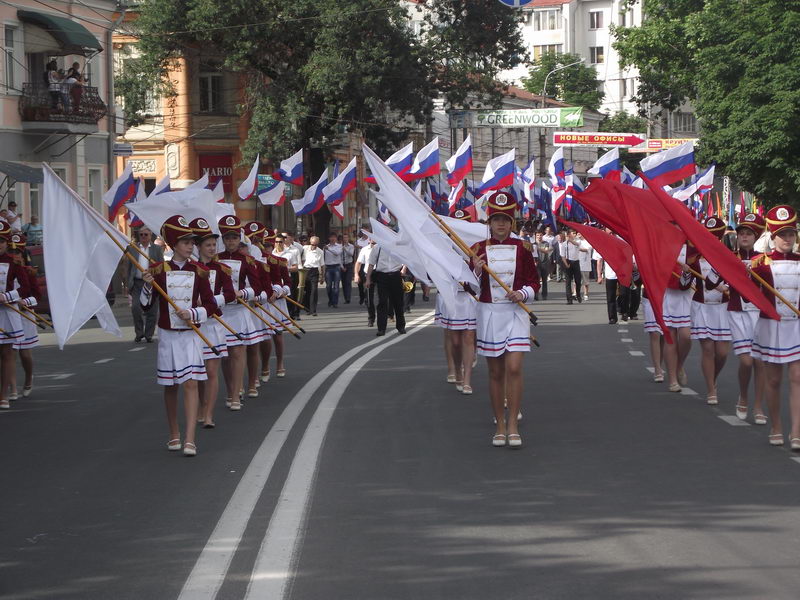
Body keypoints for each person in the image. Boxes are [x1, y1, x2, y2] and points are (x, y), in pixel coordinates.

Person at [140, 215, 217, 456]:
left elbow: (213, 306)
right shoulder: (158, 270)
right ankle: (174, 432)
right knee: (171, 386)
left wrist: (194, 312)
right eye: (185, 242)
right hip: (168, 335)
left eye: (192, 242)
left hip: (191, 334)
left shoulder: (200, 271)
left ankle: (190, 439)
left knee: (191, 383)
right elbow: (145, 306)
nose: (191, 246)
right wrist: (147, 285)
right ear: (174, 244)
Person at [470, 191, 539, 448]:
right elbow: (469, 289)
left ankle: (513, 424)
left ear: (512, 222)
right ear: (489, 222)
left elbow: (534, 281)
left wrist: (522, 293)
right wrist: (475, 271)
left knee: (514, 368)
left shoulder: (523, 248)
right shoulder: (478, 250)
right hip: (490, 315)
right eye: (496, 219)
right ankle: (499, 424)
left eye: (505, 219)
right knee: (496, 373)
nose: (501, 224)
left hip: (515, 314)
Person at [751, 205, 800, 449]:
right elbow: (748, 295)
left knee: (798, 376)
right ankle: (776, 426)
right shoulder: (760, 264)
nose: (787, 239)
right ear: (773, 237)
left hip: (797, 327)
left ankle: (797, 431)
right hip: (771, 326)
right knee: (773, 380)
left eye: (791, 234)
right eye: (782, 235)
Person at [217, 215, 269, 411]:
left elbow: (256, 286)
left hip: (239, 311)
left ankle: (237, 393)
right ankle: (231, 389)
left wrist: (242, 293)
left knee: (238, 352)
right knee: (225, 355)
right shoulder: (216, 259)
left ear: (240, 239)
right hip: (221, 311)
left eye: (234, 237)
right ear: (223, 239)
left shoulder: (247, 260)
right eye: (227, 238)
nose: (231, 241)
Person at [190, 218, 236, 429]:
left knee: (211, 371)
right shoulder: (190, 269)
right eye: (207, 245)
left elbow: (229, 294)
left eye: (213, 245)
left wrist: (210, 300)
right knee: (198, 372)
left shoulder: (222, 268)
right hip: (195, 325)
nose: (211, 248)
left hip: (215, 323)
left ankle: (208, 414)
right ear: (198, 247)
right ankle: (200, 407)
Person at [728, 213, 767, 425]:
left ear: (756, 236)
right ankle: (743, 395)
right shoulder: (728, 257)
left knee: (760, 361)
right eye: (741, 233)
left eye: (748, 233)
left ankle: (758, 405)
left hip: (758, 313)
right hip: (737, 311)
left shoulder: (763, 258)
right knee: (746, 360)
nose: (744, 236)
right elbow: (711, 282)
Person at [434, 208, 477, 394]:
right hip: (450, 295)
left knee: (467, 337)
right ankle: (453, 368)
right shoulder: (445, 245)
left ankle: (466, 378)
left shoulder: (476, 246)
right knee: (453, 338)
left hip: (469, 297)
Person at [689, 218, 732, 405]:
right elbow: (685, 284)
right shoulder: (694, 258)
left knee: (722, 353)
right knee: (707, 349)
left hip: (722, 308)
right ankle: (710, 388)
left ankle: (712, 376)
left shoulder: (728, 257)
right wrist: (685, 272)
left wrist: (726, 288)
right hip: (702, 307)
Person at [8, 233, 39, 401]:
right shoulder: (4, 268)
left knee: (25, 354)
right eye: (13, 252)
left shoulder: (29, 272)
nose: (15, 256)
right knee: (9, 353)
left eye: (18, 252)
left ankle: (28, 378)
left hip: (24, 315)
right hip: (8, 314)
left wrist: (24, 302)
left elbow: (37, 296)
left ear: (23, 254)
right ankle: (12, 388)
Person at [662, 243, 696, 392]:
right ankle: (672, 379)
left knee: (686, 336)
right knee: (670, 337)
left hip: (687, 296)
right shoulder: (664, 245)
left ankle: (679, 364)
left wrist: (688, 273)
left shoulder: (692, 249)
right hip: (669, 294)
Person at [261, 230, 293, 379]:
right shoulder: (255, 261)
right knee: (265, 336)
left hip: (277, 302)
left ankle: (280, 363)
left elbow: (288, 283)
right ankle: (265, 365)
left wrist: (279, 292)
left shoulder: (280, 261)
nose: (266, 248)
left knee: (278, 334)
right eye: (263, 244)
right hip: (263, 302)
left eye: (269, 245)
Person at [126, 227, 164, 342]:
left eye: (145, 235)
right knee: (136, 308)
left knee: (152, 310)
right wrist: (128, 284)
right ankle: (139, 333)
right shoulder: (132, 248)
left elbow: (161, 266)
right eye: (141, 234)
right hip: (137, 283)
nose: (143, 237)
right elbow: (128, 267)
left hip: (152, 282)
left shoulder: (156, 249)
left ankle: (148, 335)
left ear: (150, 235)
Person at [366, 241, 405, 336]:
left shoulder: (398, 246)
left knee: (398, 302)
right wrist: (368, 279)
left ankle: (401, 326)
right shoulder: (377, 247)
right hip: (382, 276)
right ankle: (381, 329)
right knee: (382, 302)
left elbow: (406, 260)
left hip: (396, 275)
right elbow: (371, 264)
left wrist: (404, 269)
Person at [595, 240, 619, 325]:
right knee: (610, 297)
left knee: (623, 294)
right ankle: (612, 317)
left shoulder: (620, 242)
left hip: (622, 274)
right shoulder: (603, 245)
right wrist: (599, 276)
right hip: (610, 275)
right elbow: (599, 261)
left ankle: (624, 311)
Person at [279, 232, 302, 318]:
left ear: (290, 238)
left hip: (292, 275)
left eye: (285, 237)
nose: (283, 239)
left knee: (292, 295)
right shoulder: (275, 250)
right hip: (278, 277)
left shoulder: (295, 250)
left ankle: (293, 313)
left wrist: (285, 269)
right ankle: (285, 315)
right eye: (282, 237)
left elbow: (298, 265)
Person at [354, 238, 376, 325]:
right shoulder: (365, 249)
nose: (373, 242)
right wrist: (356, 274)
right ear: (369, 240)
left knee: (384, 297)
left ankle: (389, 313)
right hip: (368, 274)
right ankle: (371, 318)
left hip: (380, 273)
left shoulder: (383, 248)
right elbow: (358, 263)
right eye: (372, 240)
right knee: (368, 298)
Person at [301, 236, 324, 316]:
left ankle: (313, 310)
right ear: (310, 243)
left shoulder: (320, 251)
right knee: (307, 290)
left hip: (314, 271)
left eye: (316, 244)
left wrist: (322, 277)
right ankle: (307, 308)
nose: (314, 246)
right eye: (312, 244)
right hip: (305, 270)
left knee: (314, 290)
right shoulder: (304, 248)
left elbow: (322, 265)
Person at [560, 229, 583, 304]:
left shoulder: (578, 241)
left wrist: (570, 240)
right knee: (568, 281)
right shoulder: (564, 244)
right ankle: (569, 299)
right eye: (573, 233)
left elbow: (577, 244)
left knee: (578, 281)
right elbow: (562, 256)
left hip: (576, 262)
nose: (574, 234)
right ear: (569, 234)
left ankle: (578, 294)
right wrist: (566, 264)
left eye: (575, 233)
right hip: (568, 261)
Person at [323, 232, 344, 308]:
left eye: (334, 237)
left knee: (336, 286)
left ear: (336, 238)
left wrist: (329, 249)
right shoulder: (325, 247)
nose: (333, 239)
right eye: (331, 237)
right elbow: (323, 258)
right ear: (329, 238)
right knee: (328, 286)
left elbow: (337, 253)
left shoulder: (339, 246)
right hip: (328, 267)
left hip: (336, 267)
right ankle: (330, 300)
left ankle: (335, 302)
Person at [534, 230, 552, 300]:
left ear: (542, 236)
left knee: (544, 280)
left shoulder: (546, 243)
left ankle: (544, 295)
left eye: (540, 235)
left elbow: (546, 251)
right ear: (535, 236)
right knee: (537, 280)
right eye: (538, 235)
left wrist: (537, 248)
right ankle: (536, 295)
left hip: (545, 263)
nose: (539, 237)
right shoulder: (533, 244)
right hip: (537, 264)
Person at [340, 233, 356, 304]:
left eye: (346, 237)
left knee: (348, 282)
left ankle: (348, 297)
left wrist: (345, 249)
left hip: (349, 265)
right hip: (342, 265)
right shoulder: (339, 246)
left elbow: (351, 254)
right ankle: (346, 298)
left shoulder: (351, 246)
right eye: (344, 238)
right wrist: (342, 267)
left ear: (348, 238)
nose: (345, 239)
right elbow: (339, 258)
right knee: (343, 283)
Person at [577, 233, 593, 301]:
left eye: (580, 233)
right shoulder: (577, 241)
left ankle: (585, 294)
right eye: (578, 234)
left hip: (585, 264)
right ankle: (575, 293)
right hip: (577, 263)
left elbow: (587, 249)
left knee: (585, 281)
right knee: (576, 280)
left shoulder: (588, 241)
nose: (579, 235)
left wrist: (578, 248)